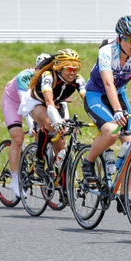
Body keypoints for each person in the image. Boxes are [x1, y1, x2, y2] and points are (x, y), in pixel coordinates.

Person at [82, 15, 131, 210]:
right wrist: (116, 111)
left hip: (120, 96)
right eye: (129, 39)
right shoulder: (107, 51)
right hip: (97, 95)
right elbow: (108, 83)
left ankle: (125, 194)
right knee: (112, 131)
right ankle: (88, 162)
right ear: (119, 39)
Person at [18, 48, 86, 180]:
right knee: (50, 124)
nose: (73, 73)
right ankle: (39, 159)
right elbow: (48, 101)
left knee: (61, 148)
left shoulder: (77, 79)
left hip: (56, 104)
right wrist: (57, 121)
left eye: (76, 69)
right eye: (69, 68)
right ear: (60, 67)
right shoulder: (48, 75)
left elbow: (87, 98)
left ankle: (63, 190)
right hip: (37, 102)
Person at [1, 53, 51, 197]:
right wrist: (32, 125)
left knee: (45, 130)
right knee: (17, 138)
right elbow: (25, 106)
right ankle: (15, 180)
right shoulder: (25, 76)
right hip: (13, 102)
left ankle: (33, 156)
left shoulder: (50, 79)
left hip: (32, 103)